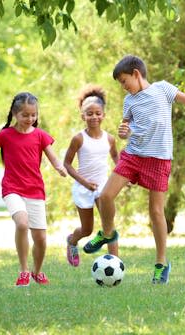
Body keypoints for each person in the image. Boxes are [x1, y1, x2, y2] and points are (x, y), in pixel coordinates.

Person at [83, 54, 185, 284]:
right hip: (133, 156)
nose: (123, 86)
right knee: (106, 195)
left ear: (136, 74)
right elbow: (128, 128)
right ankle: (107, 233)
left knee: (156, 213)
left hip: (159, 160)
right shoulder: (129, 101)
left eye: (124, 81)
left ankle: (161, 264)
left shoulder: (163, 89)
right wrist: (123, 132)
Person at [0, 92, 67, 287]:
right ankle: (23, 271)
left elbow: (52, 156)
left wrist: (59, 166)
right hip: (12, 188)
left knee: (40, 238)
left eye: (33, 115)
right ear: (15, 114)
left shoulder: (40, 135)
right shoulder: (5, 135)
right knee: (22, 224)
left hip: (35, 190)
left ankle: (36, 272)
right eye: (25, 115)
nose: (30, 119)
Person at [63, 84, 119, 267]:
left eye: (97, 113)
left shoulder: (109, 139)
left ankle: (115, 262)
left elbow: (117, 160)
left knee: (109, 225)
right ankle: (72, 241)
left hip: (103, 187)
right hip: (83, 187)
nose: (94, 117)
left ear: (103, 114)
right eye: (89, 113)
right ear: (82, 116)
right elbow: (67, 164)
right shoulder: (79, 138)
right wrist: (85, 183)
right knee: (87, 229)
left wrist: (124, 179)